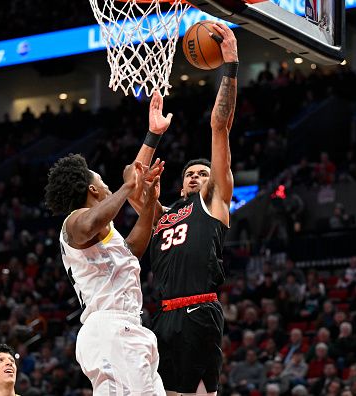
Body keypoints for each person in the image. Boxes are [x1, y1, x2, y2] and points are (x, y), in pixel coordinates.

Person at [128, 23, 238, 395]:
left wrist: (231, 66)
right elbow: (132, 182)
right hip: (163, 315)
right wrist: (153, 136)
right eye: (190, 172)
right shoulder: (163, 213)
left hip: (198, 310)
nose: (195, 175)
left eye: (202, 172)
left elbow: (219, 125)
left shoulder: (215, 202)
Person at [44, 153, 165, 394]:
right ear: (93, 188)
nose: (108, 187)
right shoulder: (74, 221)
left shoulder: (107, 232)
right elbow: (88, 225)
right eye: (103, 182)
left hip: (130, 326)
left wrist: (150, 198)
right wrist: (129, 186)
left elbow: (133, 251)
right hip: (109, 327)